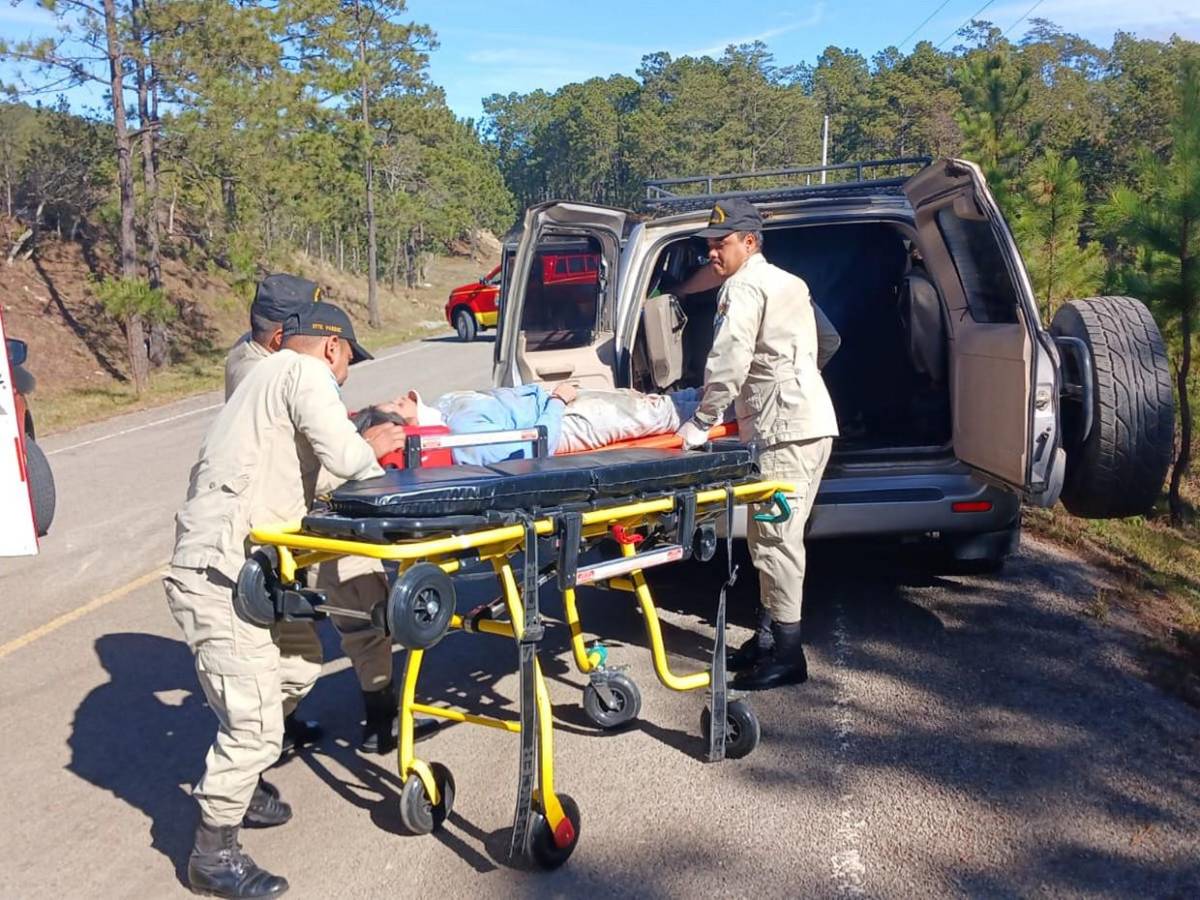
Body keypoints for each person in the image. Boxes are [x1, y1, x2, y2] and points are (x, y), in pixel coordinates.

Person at [166, 302, 406, 897]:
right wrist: (393, 473)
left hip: (255, 571)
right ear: (331, 348)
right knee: (254, 726)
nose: (348, 371)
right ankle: (211, 856)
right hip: (220, 573)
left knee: (298, 667)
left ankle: (240, 784)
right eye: (349, 358)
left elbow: (311, 476)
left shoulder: (263, 385)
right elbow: (349, 463)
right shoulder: (301, 375)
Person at [226, 274, 420, 757]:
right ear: (281, 338)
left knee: (289, 635)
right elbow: (333, 462)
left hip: (283, 514)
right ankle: (375, 719)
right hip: (304, 512)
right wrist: (368, 447)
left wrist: (358, 418)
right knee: (360, 604)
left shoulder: (251, 360)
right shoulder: (276, 372)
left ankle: (282, 729)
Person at [675, 197, 839, 692]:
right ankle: (769, 638)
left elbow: (728, 361)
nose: (712, 254)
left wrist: (701, 422)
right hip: (811, 423)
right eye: (708, 246)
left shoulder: (742, 287)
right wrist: (796, 384)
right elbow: (829, 341)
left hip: (784, 432)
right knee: (779, 538)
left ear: (750, 242)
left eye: (720, 244)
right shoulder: (790, 282)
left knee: (775, 542)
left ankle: (788, 656)